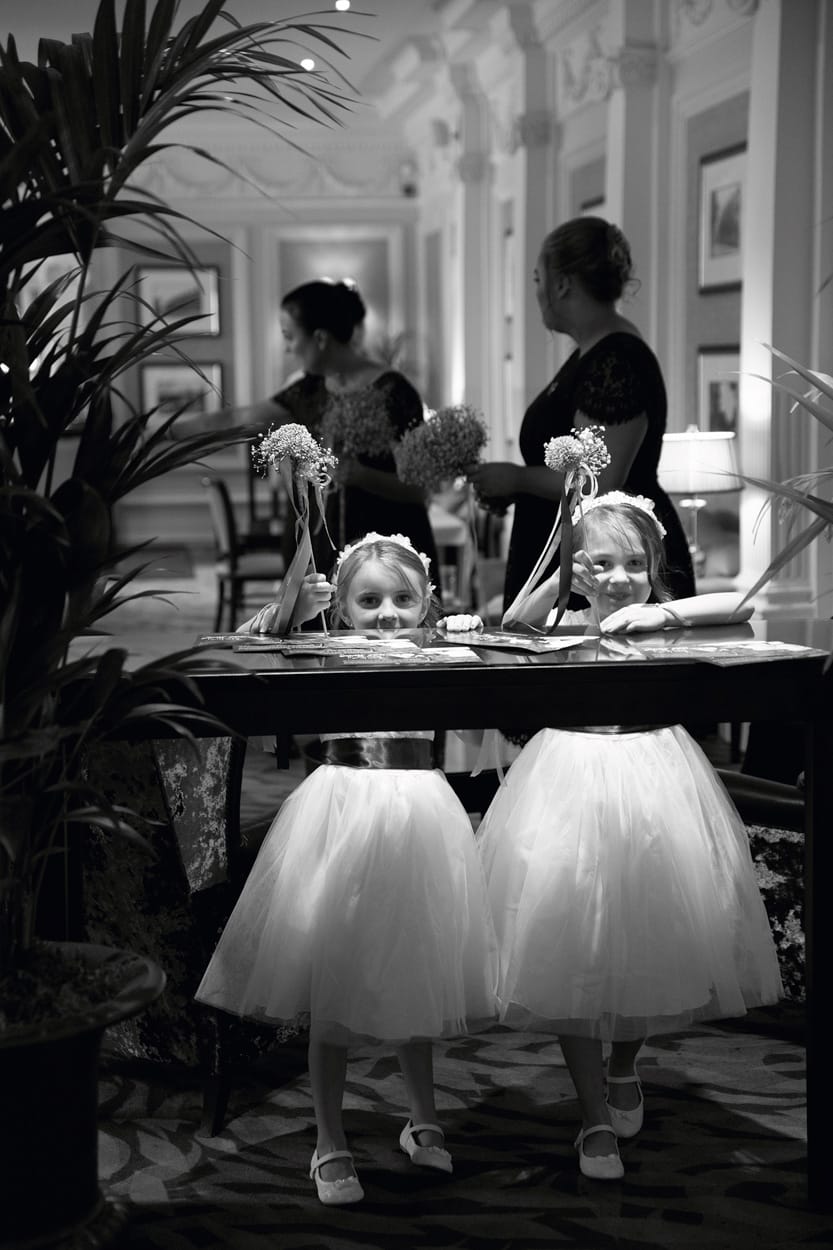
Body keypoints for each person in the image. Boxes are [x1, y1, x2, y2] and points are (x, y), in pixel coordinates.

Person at [474, 493, 783, 1181]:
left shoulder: (656, 620)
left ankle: (622, 1061)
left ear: (655, 567)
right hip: (567, 779)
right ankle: (591, 1117)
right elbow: (508, 625)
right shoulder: (560, 618)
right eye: (601, 562)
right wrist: (560, 575)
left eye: (634, 563)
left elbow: (741, 604)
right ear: (576, 568)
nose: (617, 578)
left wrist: (659, 609)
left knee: (645, 933)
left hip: (651, 777)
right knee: (569, 946)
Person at [195, 533, 497, 1206]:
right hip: (339, 815)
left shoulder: (435, 649)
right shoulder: (323, 648)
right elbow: (238, 651)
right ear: (341, 612)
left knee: (415, 972)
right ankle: (328, 1138)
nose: (387, 613)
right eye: (368, 601)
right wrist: (285, 612)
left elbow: (519, 642)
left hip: (420, 817)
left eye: (402, 599)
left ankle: (422, 1118)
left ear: (428, 603)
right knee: (336, 979)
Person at [467, 216, 695, 613]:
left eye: (538, 280)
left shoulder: (617, 360)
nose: (537, 293)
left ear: (562, 284)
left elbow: (600, 478)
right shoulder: (589, 353)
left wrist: (517, 478)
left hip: (610, 556)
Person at [277, 279, 439, 582]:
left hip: (385, 559)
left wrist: (361, 475)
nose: (287, 348)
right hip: (325, 555)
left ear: (321, 338)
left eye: (289, 336)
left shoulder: (394, 391)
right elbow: (242, 417)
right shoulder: (310, 388)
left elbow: (421, 490)